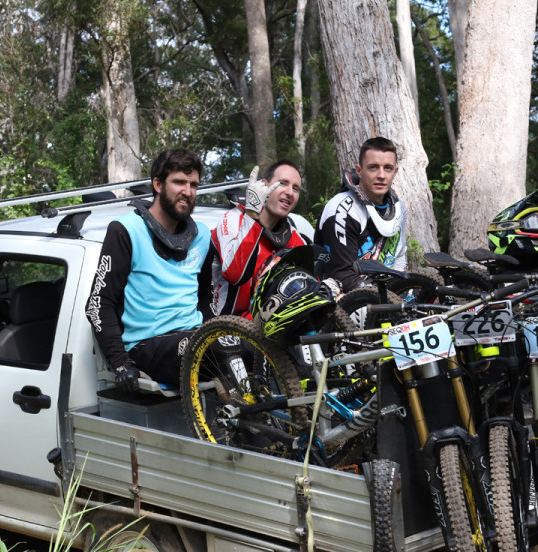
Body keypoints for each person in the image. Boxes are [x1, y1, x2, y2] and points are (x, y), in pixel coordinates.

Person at [85, 148, 212, 391]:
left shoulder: (202, 235)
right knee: (212, 347)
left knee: (252, 344)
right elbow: (98, 303)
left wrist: (217, 328)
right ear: (158, 184)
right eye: (179, 182)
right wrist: (121, 363)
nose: (188, 191)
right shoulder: (125, 230)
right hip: (146, 346)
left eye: (193, 184)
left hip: (193, 335)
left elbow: (206, 296)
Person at [210, 160, 308, 318]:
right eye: (282, 183)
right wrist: (252, 215)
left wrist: (326, 286)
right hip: (228, 325)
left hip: (275, 326)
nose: (290, 192)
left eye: (295, 188)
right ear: (264, 186)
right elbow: (235, 275)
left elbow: (310, 279)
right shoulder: (233, 218)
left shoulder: (292, 235)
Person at [314, 137, 408, 293]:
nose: (381, 175)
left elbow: (399, 258)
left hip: (385, 290)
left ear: (395, 171)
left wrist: (404, 291)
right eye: (373, 167)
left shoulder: (399, 208)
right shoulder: (342, 209)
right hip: (342, 294)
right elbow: (341, 274)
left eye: (388, 168)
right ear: (359, 171)